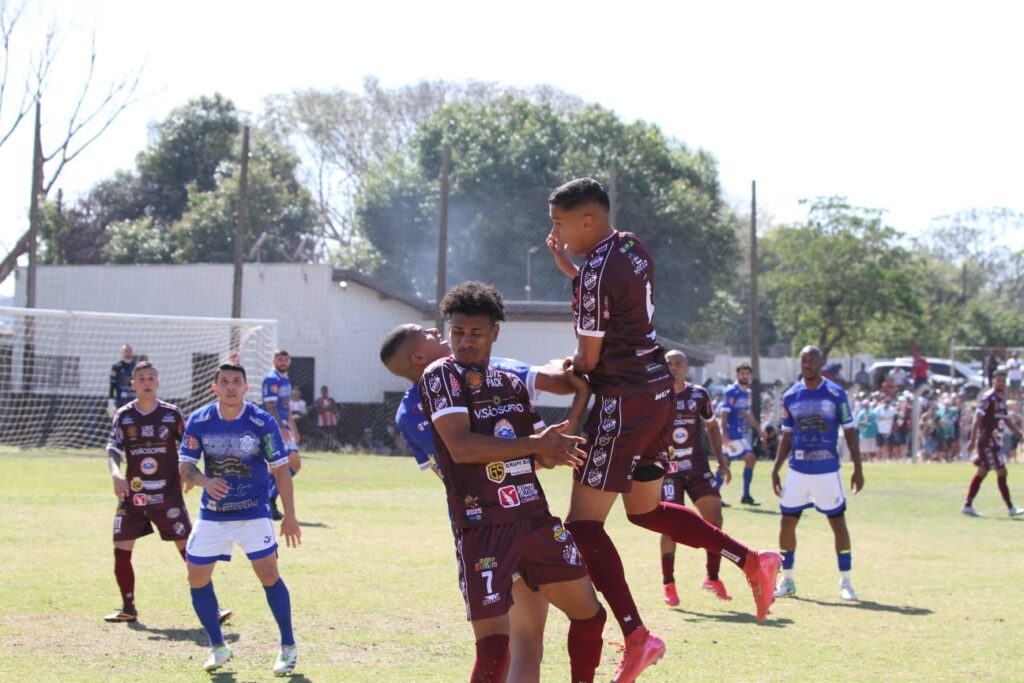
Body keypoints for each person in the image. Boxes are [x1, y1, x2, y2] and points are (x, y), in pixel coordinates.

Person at [547, 177, 781, 682]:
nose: (557, 234)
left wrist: (566, 370)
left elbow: (588, 357)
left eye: (560, 224)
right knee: (646, 510)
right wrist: (573, 270)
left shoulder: (592, 274)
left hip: (621, 399)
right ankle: (750, 560)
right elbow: (616, 297)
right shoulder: (632, 246)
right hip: (658, 393)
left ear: (586, 220)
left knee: (583, 526)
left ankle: (637, 636)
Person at [418, 282, 606, 683]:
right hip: (483, 528)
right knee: (494, 650)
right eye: (458, 332)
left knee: (590, 616)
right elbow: (461, 448)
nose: (465, 342)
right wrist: (535, 444)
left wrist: (580, 401)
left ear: (495, 333)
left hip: (533, 520)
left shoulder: (511, 383)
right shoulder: (440, 376)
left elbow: (540, 454)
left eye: (476, 333)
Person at [380, 322, 583, 682]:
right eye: (425, 331)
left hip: (477, 526)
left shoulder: (407, 413)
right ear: (418, 356)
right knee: (522, 646)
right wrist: (582, 363)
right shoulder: (494, 369)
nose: (435, 329)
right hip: (519, 516)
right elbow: (558, 383)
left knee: (506, 647)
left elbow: (449, 471)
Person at [178, 362, 302, 675]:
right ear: (214, 388)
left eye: (237, 381)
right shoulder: (200, 420)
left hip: (253, 510)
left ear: (246, 387)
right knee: (196, 575)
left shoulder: (262, 421)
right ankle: (218, 646)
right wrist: (205, 481)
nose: (231, 387)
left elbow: (281, 470)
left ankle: (288, 646)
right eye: (225, 382)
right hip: (214, 513)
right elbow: (186, 466)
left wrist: (289, 516)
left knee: (268, 574)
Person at [103, 361, 231, 626]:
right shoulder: (124, 416)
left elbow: (190, 448)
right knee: (121, 549)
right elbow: (113, 449)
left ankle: (214, 608)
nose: (147, 382)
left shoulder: (172, 415)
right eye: (141, 378)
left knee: (190, 552)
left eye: (151, 377)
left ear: (158, 382)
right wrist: (116, 473)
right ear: (133, 384)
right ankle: (128, 608)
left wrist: (191, 475)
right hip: (134, 496)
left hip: (168, 497)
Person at [771, 346, 864, 602]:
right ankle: (787, 579)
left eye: (812, 360)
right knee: (786, 522)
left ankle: (846, 581)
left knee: (837, 523)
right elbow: (787, 436)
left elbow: (850, 431)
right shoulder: (791, 396)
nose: (807, 364)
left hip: (827, 471)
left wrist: (858, 466)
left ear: (821, 363)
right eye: (804, 360)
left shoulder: (836, 393)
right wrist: (776, 468)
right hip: (797, 471)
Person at [658, 350, 734, 607]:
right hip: (668, 471)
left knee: (715, 517)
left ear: (687, 367)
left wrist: (721, 460)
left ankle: (712, 577)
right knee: (671, 526)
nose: (673, 367)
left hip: (697, 467)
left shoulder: (699, 395)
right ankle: (668, 583)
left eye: (678, 363)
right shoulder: (655, 394)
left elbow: (712, 426)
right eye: (668, 363)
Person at [961, 368, 1024, 517]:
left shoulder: (1001, 398)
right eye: (998, 380)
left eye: (1003, 380)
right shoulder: (988, 397)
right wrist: (972, 440)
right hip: (986, 442)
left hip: (995, 442)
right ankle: (1010, 508)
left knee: (982, 472)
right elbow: (978, 419)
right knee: (1002, 471)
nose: (1001, 383)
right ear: (993, 381)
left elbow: (1006, 419)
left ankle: (967, 505)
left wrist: (1019, 433)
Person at [718, 362, 768, 506]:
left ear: (750, 376)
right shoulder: (731, 391)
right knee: (750, 458)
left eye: (747, 374)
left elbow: (747, 414)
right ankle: (744, 496)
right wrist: (724, 434)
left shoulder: (745, 393)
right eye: (742, 373)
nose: (744, 376)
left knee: (725, 463)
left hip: (737, 433)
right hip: (731, 433)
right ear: (737, 375)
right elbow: (724, 414)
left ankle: (716, 495)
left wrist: (760, 430)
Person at [263, 350, 302, 520]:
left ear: (290, 361)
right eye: (280, 359)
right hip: (275, 426)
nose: (283, 362)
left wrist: (293, 427)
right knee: (285, 464)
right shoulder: (271, 378)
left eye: (286, 359)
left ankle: (269, 498)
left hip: (284, 425)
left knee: (294, 464)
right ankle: (268, 500)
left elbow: (286, 406)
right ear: (274, 361)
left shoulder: (285, 378)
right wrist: (281, 428)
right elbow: (270, 406)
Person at [108, 344, 137, 418]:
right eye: (126, 351)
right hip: (121, 401)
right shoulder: (116, 367)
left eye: (130, 350)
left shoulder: (136, 367)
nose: (128, 352)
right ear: (122, 352)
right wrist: (110, 402)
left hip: (134, 400)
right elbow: (112, 385)